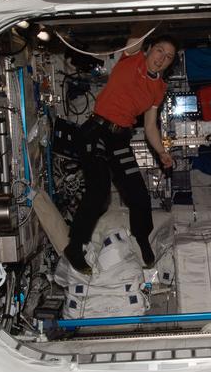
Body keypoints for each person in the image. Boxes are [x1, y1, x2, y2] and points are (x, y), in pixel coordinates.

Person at [65, 29, 177, 274]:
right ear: (149, 49)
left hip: (119, 139)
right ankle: (75, 246)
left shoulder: (159, 88)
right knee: (99, 191)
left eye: (168, 57)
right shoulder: (132, 58)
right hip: (96, 130)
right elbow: (138, 32)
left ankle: (142, 239)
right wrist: (148, 16)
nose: (161, 58)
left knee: (138, 194)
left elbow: (149, 126)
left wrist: (161, 152)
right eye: (159, 50)